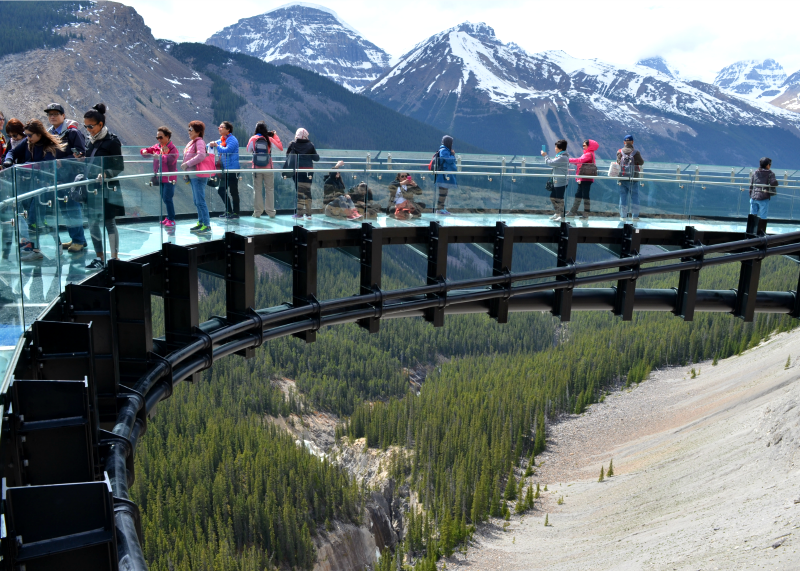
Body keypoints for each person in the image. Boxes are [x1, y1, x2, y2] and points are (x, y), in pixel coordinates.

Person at [80, 103, 124, 269]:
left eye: (91, 126)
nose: (88, 129)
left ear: (100, 124)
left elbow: (119, 166)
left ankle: (114, 258)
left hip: (107, 189)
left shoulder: (112, 141)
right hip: (92, 189)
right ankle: (99, 258)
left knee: (109, 223)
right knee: (92, 224)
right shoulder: (90, 142)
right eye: (86, 126)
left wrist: (106, 174)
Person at [45, 103, 88, 253]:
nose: (52, 116)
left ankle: (79, 240)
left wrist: (62, 162)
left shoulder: (72, 133)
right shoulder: (50, 133)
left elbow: (81, 154)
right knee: (64, 209)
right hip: (58, 177)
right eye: (50, 114)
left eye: (56, 114)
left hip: (72, 177)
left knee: (72, 208)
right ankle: (77, 237)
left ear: (63, 116)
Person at [140, 126, 179, 227]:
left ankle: (171, 219)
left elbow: (172, 161)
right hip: (161, 177)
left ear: (167, 136)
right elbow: (148, 150)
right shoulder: (158, 146)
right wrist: (144, 151)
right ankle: (169, 217)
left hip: (170, 178)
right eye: (157, 138)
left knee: (167, 198)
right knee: (164, 197)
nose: (159, 140)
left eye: (160, 137)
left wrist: (161, 157)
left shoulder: (173, 148)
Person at [180, 120, 213, 235]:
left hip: (198, 175)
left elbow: (201, 155)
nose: (188, 131)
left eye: (191, 129)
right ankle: (201, 222)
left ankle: (206, 225)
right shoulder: (193, 142)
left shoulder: (199, 142)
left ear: (198, 132)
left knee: (200, 200)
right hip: (194, 175)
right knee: (197, 200)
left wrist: (187, 164)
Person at [246, 121, 283, 218]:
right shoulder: (269, 139)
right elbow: (280, 148)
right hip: (268, 168)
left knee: (257, 190)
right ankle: (270, 212)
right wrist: (275, 136)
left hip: (256, 168)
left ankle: (257, 212)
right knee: (269, 189)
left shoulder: (253, 139)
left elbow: (248, 150)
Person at [282, 128, 319, 218]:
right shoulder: (310, 145)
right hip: (309, 171)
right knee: (307, 191)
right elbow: (316, 158)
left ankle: (299, 214)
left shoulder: (293, 144)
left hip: (297, 171)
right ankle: (309, 213)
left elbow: (288, 156)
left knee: (299, 192)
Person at [208, 121, 240, 219]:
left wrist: (217, 146)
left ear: (228, 129)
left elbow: (227, 150)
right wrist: (210, 144)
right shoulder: (222, 139)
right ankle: (229, 210)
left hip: (232, 170)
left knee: (233, 191)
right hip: (225, 170)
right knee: (221, 190)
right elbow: (209, 145)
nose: (219, 128)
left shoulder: (232, 140)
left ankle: (236, 212)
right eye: (219, 127)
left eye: (221, 127)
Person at [566, 139, 599, 219]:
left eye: (584, 145)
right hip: (585, 178)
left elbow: (579, 160)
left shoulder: (588, 154)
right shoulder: (590, 153)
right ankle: (577, 212)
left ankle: (580, 213)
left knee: (583, 196)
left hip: (585, 178)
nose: (583, 147)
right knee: (581, 195)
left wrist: (567, 159)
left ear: (589, 146)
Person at [616, 134, 644, 221]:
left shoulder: (619, 152)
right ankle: (635, 216)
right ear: (632, 142)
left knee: (623, 196)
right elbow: (641, 162)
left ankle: (623, 216)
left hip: (622, 177)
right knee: (634, 197)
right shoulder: (636, 152)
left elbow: (617, 162)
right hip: (633, 178)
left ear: (624, 142)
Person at [541, 139, 570, 221]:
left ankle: (562, 216)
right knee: (553, 197)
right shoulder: (560, 156)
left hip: (561, 181)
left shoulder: (563, 157)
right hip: (556, 180)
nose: (555, 148)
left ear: (560, 149)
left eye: (556, 147)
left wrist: (545, 156)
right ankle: (558, 213)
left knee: (559, 198)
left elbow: (550, 163)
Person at [434, 135, 457, 215]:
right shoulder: (444, 150)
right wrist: (453, 155)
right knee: (442, 193)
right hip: (443, 176)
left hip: (445, 176)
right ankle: (440, 209)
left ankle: (442, 208)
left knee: (444, 193)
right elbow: (449, 160)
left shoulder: (445, 150)